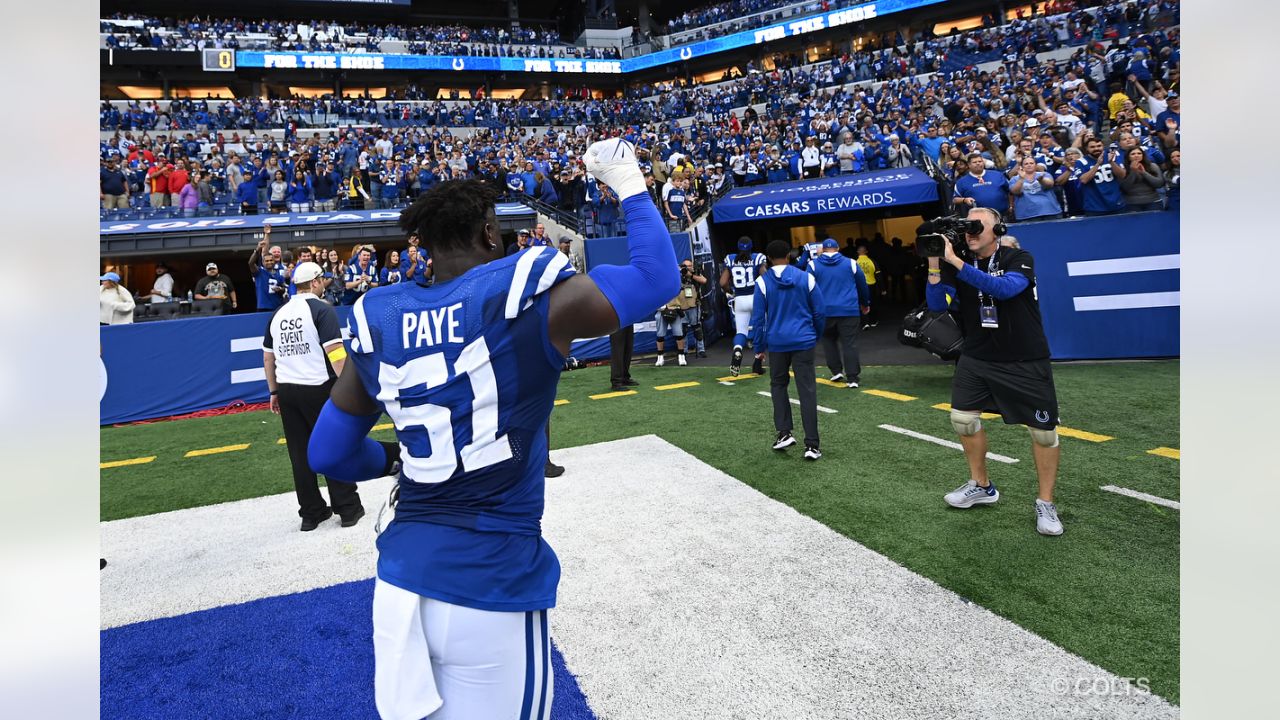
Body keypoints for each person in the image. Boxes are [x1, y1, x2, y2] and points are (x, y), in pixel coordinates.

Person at [306, 139, 679, 720]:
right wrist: (627, 182)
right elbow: (657, 279)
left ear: (421, 247)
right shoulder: (525, 292)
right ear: (488, 234)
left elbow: (327, 452)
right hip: (491, 581)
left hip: (400, 582)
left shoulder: (379, 313)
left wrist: (394, 463)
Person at [925, 207, 1064, 536]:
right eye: (967, 228)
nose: (970, 233)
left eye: (978, 227)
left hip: (1024, 358)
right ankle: (982, 485)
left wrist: (955, 263)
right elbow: (936, 305)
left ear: (998, 229)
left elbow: (1004, 290)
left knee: (1043, 433)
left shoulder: (1019, 257)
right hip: (977, 356)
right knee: (962, 419)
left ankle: (1045, 502)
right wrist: (934, 262)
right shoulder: (958, 262)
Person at [262, 261, 364, 531]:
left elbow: (268, 357)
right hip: (318, 387)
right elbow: (336, 354)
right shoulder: (321, 309)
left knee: (299, 453)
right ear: (316, 282)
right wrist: (349, 388)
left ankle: (311, 513)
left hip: (286, 389)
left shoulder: (278, 313)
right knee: (334, 447)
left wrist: (273, 391)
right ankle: (348, 508)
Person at [750, 240, 826, 461]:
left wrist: (759, 347)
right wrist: (815, 335)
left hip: (777, 343)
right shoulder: (807, 278)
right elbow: (819, 312)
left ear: (768, 257)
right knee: (807, 390)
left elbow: (758, 319)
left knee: (778, 385)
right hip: (804, 340)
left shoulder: (762, 282)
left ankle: (784, 432)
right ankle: (812, 445)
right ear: (790, 255)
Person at [808, 239, 870, 388]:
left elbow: (807, 287)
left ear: (822, 249)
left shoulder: (813, 265)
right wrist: (865, 303)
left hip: (824, 311)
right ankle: (853, 377)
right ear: (838, 248)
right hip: (848, 309)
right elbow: (862, 284)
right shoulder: (850, 263)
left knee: (828, 340)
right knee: (850, 343)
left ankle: (836, 371)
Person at [720, 237, 766, 376]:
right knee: (760, 330)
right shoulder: (757, 258)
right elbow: (766, 278)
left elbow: (722, 283)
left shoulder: (731, 259)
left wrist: (731, 291)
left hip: (739, 299)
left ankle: (738, 348)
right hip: (755, 298)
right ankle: (757, 363)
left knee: (741, 331)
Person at [1009, 156, 1063, 222]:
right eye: (1026, 164)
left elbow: (1050, 184)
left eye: (1031, 163)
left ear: (1036, 165)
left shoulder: (1044, 174)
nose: (1029, 165)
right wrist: (1021, 179)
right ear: (1022, 166)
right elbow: (1015, 192)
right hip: (1026, 216)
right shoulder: (1015, 179)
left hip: (1050, 212)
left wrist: (1041, 180)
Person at [248, 231, 287, 312]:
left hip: (278, 306)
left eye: (271, 260)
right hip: (263, 307)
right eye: (267, 261)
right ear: (263, 262)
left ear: (274, 261)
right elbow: (251, 263)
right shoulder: (259, 272)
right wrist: (257, 249)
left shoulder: (278, 274)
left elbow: (284, 288)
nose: (269, 262)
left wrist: (280, 289)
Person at [1119, 146, 1165, 211]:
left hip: (1153, 202)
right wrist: (1133, 171)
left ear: (1143, 155)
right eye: (1133, 154)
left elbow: (1159, 184)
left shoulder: (1152, 166)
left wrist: (1144, 172)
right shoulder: (1122, 168)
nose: (1136, 155)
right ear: (1128, 157)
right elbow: (1125, 187)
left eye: (1139, 153)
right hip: (1132, 204)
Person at [855, 245, 879, 329]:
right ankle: (873, 321)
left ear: (858, 252)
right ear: (866, 252)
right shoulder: (872, 261)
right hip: (871, 285)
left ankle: (865, 322)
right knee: (873, 303)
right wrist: (882, 288)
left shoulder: (855, 262)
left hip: (859, 286)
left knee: (862, 304)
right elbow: (878, 274)